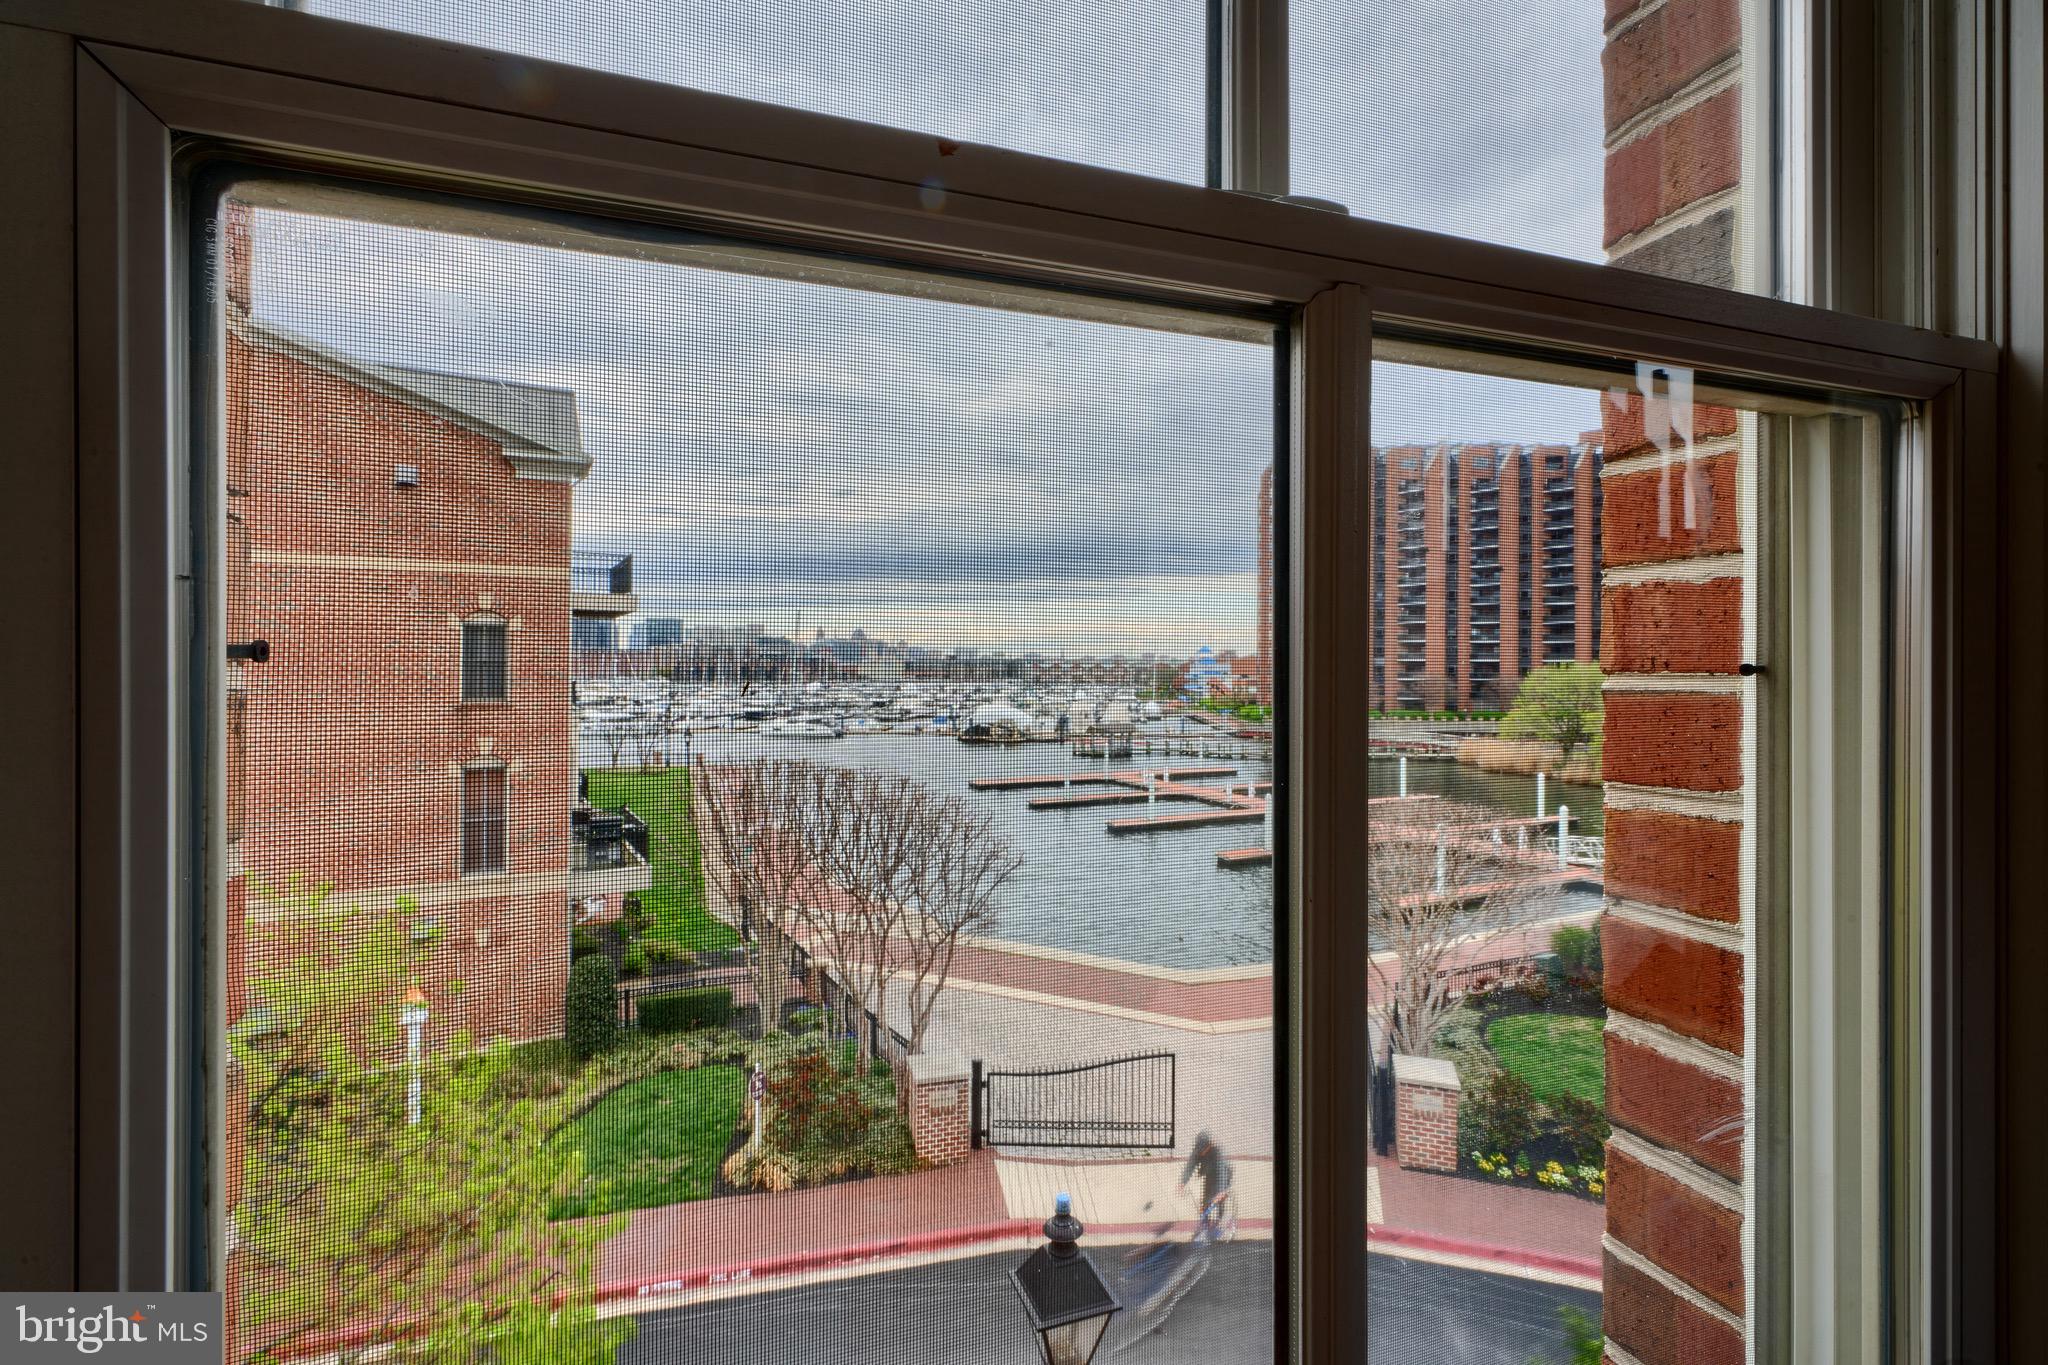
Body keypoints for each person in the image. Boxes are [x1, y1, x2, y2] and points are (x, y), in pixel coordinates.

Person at [1178, 1130, 1232, 1237]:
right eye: (1200, 1149)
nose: (1201, 1152)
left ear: (1209, 1145)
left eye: (1204, 1149)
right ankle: (1205, 1225)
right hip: (1210, 1175)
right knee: (1206, 1200)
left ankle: (1221, 1221)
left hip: (1223, 1174)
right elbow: (1190, 1166)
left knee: (1219, 1199)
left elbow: (1222, 1170)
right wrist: (1182, 1182)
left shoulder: (1217, 1151)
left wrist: (1221, 1190)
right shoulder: (1197, 1150)